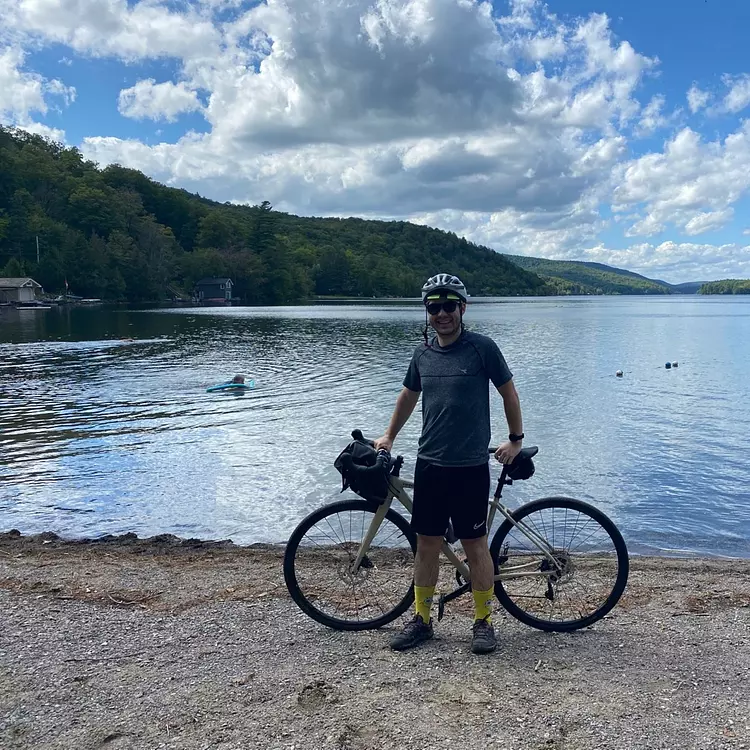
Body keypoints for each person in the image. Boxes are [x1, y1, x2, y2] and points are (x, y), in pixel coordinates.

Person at [374, 273, 524, 654]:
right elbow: (407, 397)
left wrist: (515, 439)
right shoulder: (422, 354)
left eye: (448, 306)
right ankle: (422, 620)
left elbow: (508, 392)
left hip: (470, 466)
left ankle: (483, 622)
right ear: (427, 312)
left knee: (475, 545)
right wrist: (389, 436)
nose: (441, 313)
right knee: (426, 545)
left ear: (462, 308)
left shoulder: (482, 349)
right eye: (434, 307)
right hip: (430, 465)